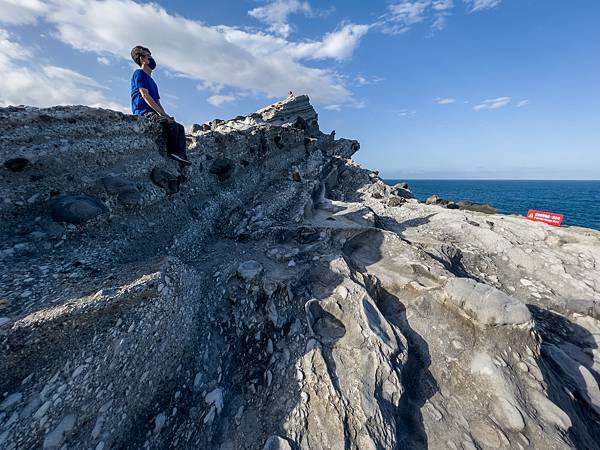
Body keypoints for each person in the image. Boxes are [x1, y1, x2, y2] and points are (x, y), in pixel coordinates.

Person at [130, 45, 191, 165]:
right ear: (142, 59)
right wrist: (163, 116)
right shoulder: (139, 74)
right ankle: (173, 152)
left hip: (152, 111)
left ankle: (181, 155)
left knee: (179, 127)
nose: (151, 58)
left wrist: (166, 114)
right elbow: (145, 95)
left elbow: (157, 102)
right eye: (148, 56)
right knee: (168, 124)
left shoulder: (153, 82)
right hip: (143, 112)